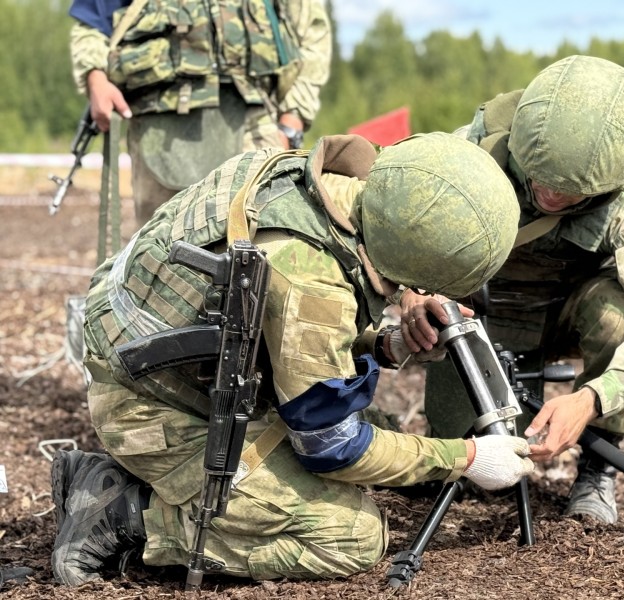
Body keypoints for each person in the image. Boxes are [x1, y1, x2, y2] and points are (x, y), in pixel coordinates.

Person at [50, 132, 536, 586]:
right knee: (352, 536)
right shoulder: (310, 281)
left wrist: (386, 343)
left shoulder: (312, 186)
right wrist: (466, 458)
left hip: (169, 370)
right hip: (153, 410)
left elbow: (274, 324)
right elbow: (331, 447)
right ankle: (126, 512)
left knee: (383, 427)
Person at [399, 55, 624, 524]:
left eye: (570, 192)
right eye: (540, 178)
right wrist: (412, 292)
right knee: (467, 468)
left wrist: (593, 398)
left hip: (563, 317)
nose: (551, 196)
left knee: (618, 313)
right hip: (475, 317)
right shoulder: (469, 153)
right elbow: (390, 226)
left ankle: (598, 466)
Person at [68, 0, 332, 227]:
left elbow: (311, 32)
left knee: (260, 253)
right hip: (159, 134)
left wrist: (292, 121)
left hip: (255, 130)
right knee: (160, 259)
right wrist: (95, 78)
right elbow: (92, 22)